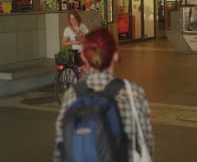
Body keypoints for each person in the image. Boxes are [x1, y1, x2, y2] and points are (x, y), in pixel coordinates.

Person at [55, 28, 154, 161]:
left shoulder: (71, 95)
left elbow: (60, 147)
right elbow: (147, 143)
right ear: (116, 55)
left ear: (84, 57)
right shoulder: (133, 93)